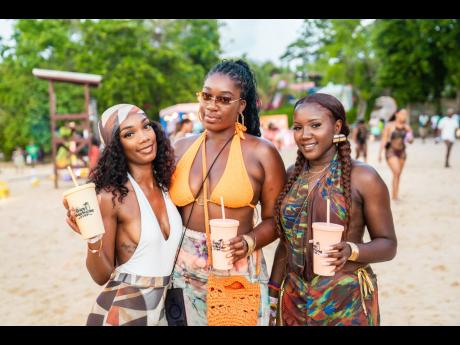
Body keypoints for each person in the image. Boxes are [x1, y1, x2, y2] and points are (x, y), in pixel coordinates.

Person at [169, 59, 286, 325]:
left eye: (223, 99)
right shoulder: (180, 147)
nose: (211, 106)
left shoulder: (261, 153)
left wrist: (248, 242)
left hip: (234, 272)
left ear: (241, 105)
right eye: (207, 96)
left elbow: (276, 221)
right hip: (182, 272)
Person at [269, 93, 397, 326]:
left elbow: (388, 244)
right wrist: (272, 295)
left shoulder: (363, 177)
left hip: (346, 302)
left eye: (315, 125)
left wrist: (352, 250)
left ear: (337, 126)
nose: (305, 135)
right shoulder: (292, 175)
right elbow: (285, 245)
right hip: (294, 301)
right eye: (298, 127)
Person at [64, 104, 182, 326]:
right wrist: (92, 238)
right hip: (125, 310)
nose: (145, 137)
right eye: (129, 134)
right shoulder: (112, 197)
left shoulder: (168, 184)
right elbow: (100, 276)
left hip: (165, 308)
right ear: (116, 147)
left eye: (146, 126)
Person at [379, 109, 413, 200]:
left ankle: (395, 195)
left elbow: (411, 141)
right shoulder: (390, 126)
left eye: (406, 114)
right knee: (396, 171)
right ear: (397, 114)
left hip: (402, 152)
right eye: (402, 114)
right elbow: (384, 139)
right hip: (391, 151)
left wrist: (408, 135)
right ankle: (394, 195)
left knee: (398, 175)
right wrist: (380, 153)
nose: (404, 116)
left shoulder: (407, 127)